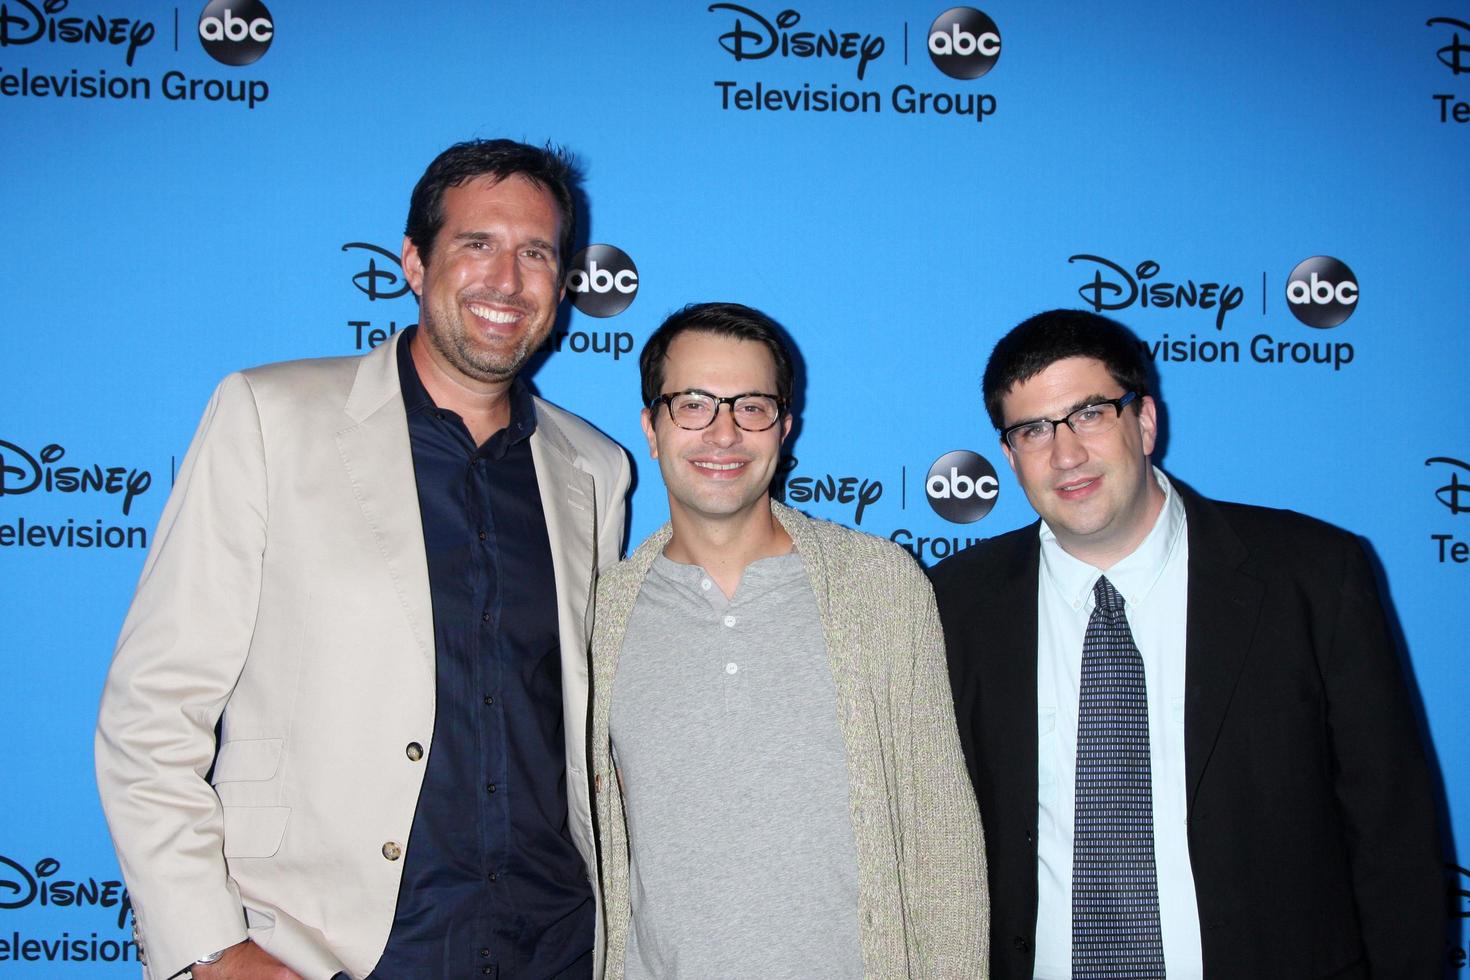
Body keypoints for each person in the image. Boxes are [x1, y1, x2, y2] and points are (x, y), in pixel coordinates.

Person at [95, 139, 630, 980]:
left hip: (554, 944)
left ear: (563, 285)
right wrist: (210, 948)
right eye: (475, 244)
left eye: (536, 253)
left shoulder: (594, 468)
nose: (507, 279)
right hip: (330, 950)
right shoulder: (270, 418)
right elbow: (150, 712)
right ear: (414, 263)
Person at [929, 308, 1445, 979]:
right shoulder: (953, 604)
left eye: (1089, 414)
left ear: (1143, 422)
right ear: (1009, 456)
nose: (1065, 454)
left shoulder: (1312, 577)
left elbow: (1392, 837)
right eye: (1033, 430)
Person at [588, 302, 988, 979]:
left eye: (751, 406)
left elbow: (940, 834)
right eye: (692, 405)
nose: (723, 433)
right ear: (651, 429)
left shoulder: (879, 587)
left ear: (785, 427)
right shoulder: (599, 616)